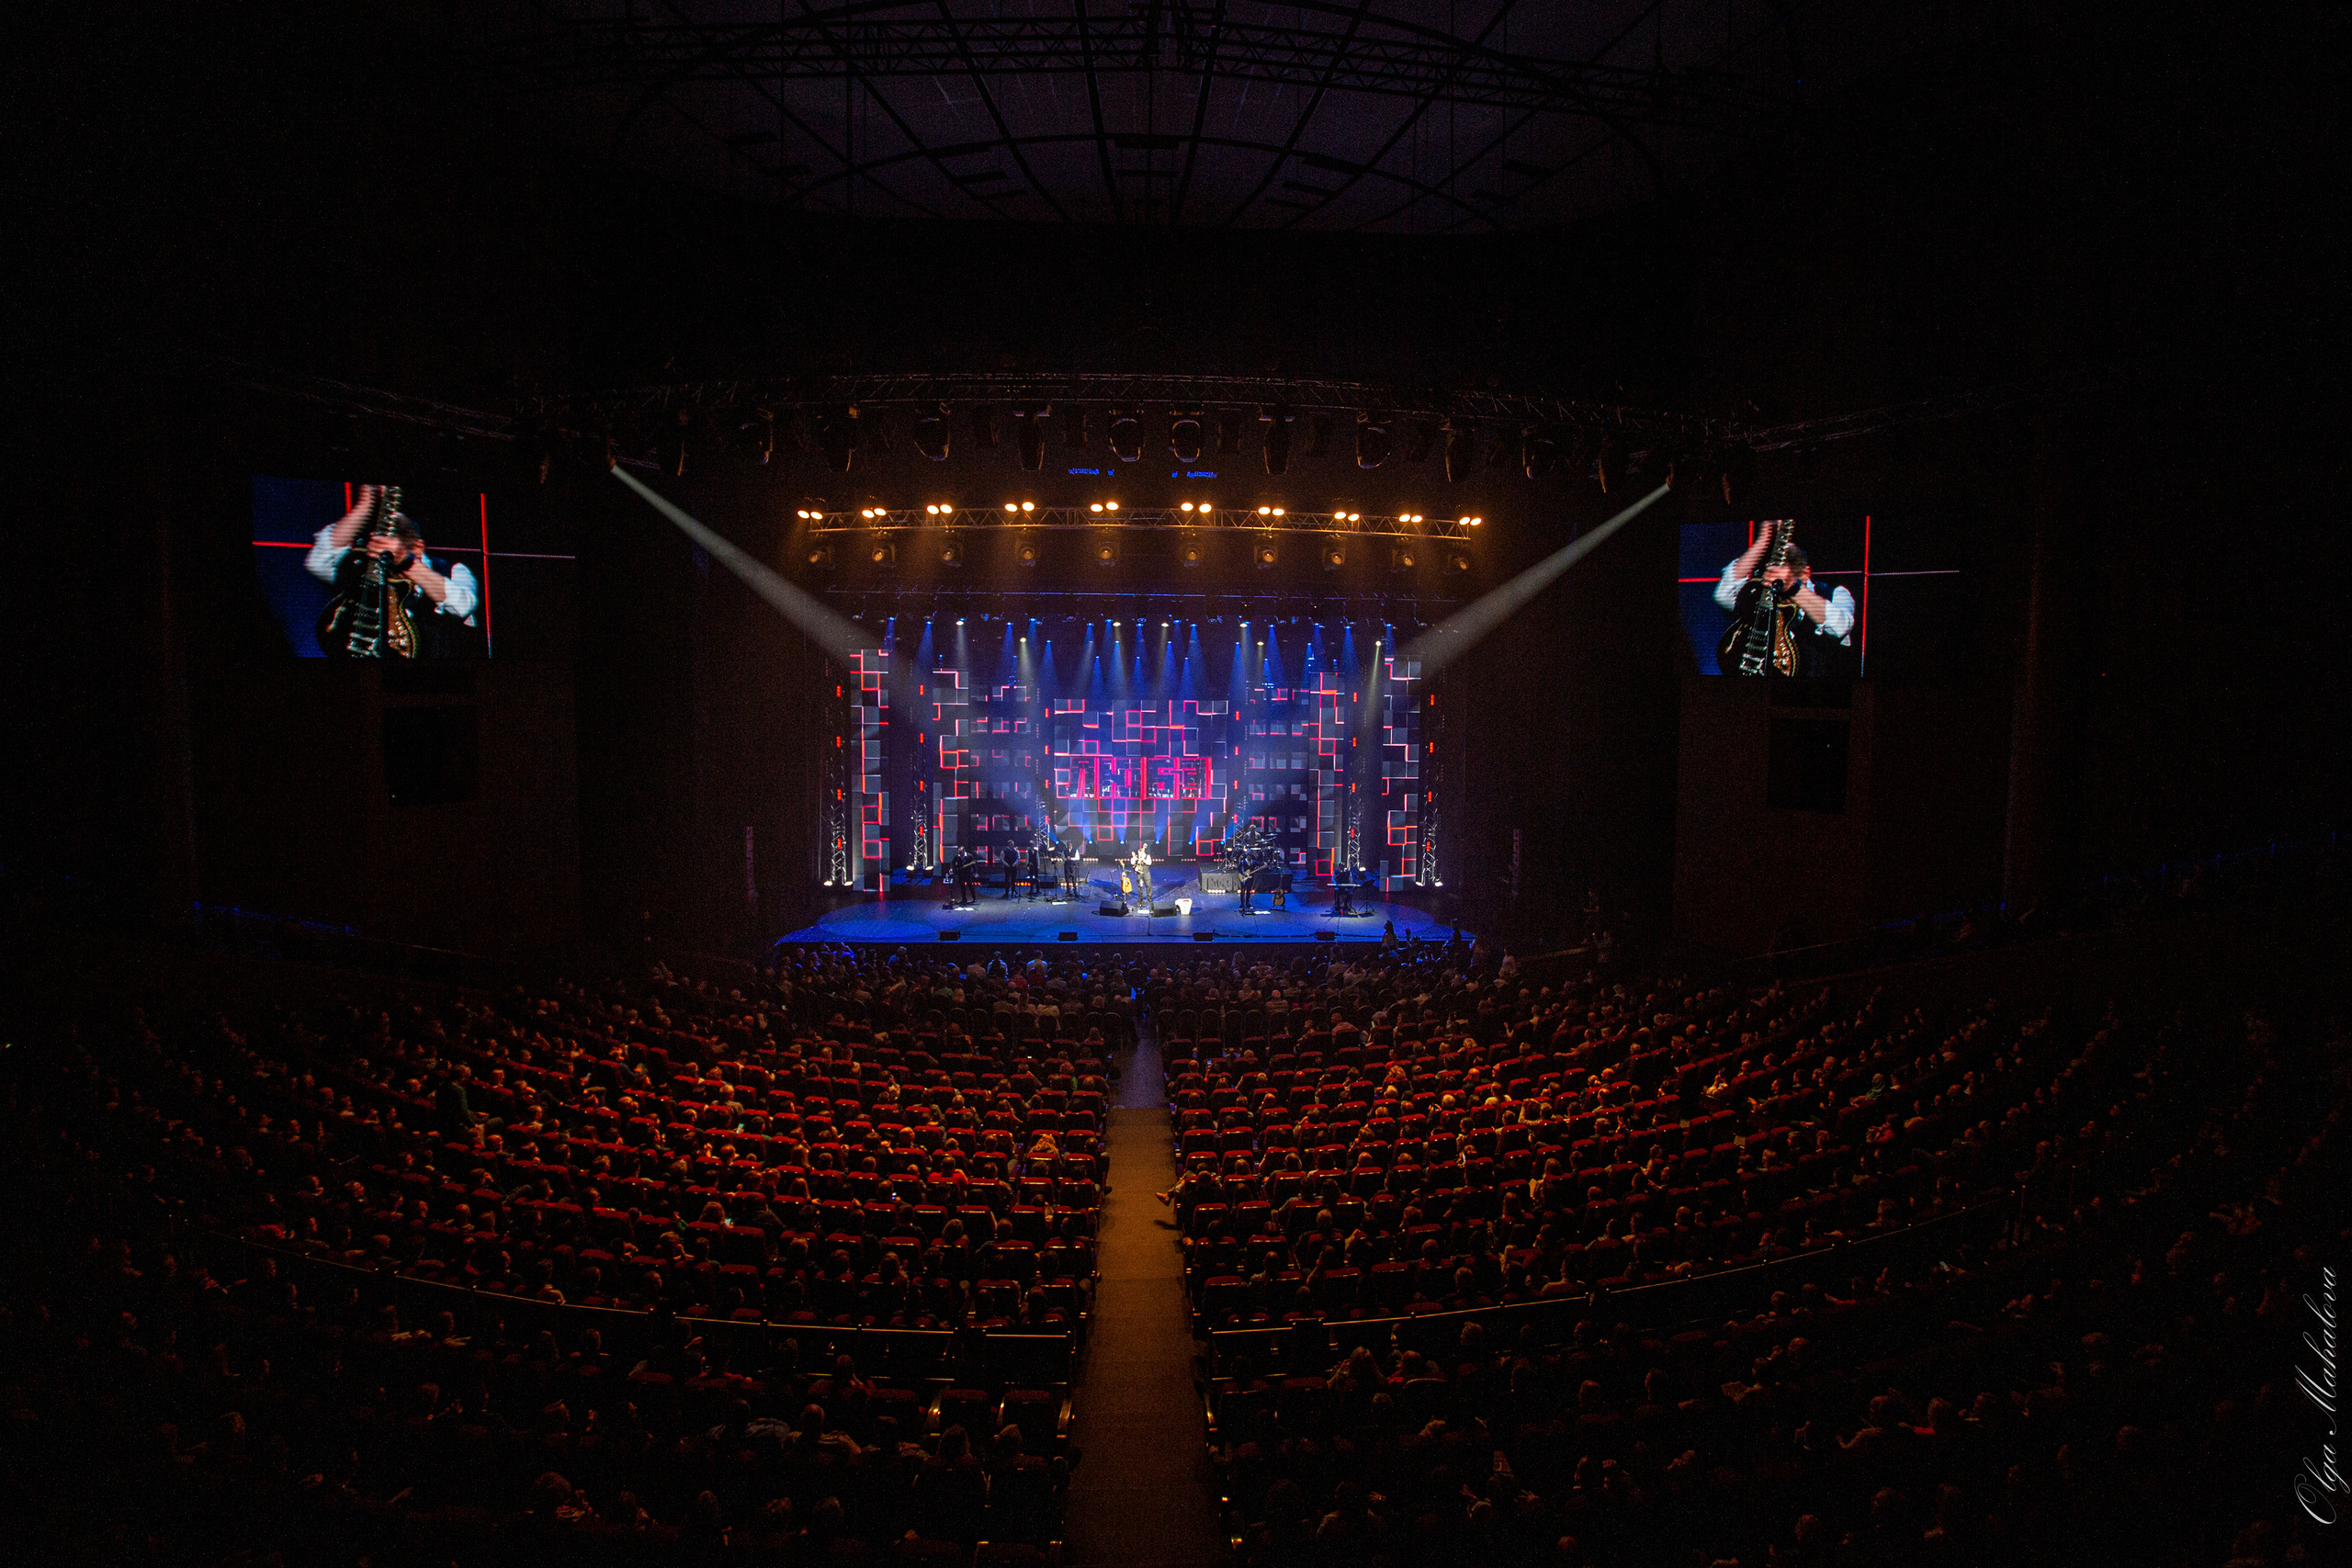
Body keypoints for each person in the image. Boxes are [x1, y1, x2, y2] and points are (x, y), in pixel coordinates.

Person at [307, 484, 481, 658]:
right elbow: (318, 562)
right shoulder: (365, 571)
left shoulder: (453, 571)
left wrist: (407, 563)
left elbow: (463, 606)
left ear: (418, 547)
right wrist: (365, 506)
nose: (384, 560)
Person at [1714, 534, 1856, 676]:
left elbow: (1841, 628)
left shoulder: (1836, 593)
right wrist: (1763, 540)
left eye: (1783, 577)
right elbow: (1723, 595)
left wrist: (1794, 589)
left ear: (1805, 573)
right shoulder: (1760, 596)